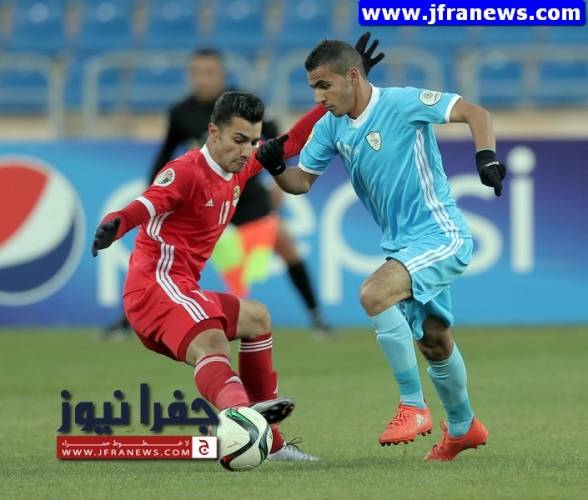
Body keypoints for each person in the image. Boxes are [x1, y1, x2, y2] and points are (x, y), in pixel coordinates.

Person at [254, 38, 506, 461]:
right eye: (313, 88)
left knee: (374, 293)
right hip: (402, 246)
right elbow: (301, 183)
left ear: (352, 76)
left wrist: (487, 157)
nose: (318, 98)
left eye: (324, 85)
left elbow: (475, 113)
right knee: (434, 340)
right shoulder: (330, 126)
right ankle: (464, 428)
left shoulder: (402, 102)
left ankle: (413, 405)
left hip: (441, 235)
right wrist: (277, 167)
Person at [92, 91, 326, 461]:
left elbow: (293, 140)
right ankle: (241, 414)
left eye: (253, 141)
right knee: (213, 341)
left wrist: (331, 102)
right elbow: (145, 205)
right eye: (239, 140)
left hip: (182, 289)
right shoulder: (186, 172)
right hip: (156, 287)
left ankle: (272, 443)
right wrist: (115, 223)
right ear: (213, 132)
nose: (247, 151)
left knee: (256, 318)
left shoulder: (242, 166)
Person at [153, 48, 331, 334]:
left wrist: (278, 178)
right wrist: (154, 195)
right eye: (196, 72)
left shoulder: (243, 105)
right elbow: (163, 156)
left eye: (209, 72)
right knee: (168, 257)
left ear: (222, 75)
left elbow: (278, 138)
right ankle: (134, 319)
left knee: (285, 244)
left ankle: (317, 316)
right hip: (205, 202)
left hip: (245, 194)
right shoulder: (181, 112)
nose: (202, 79)